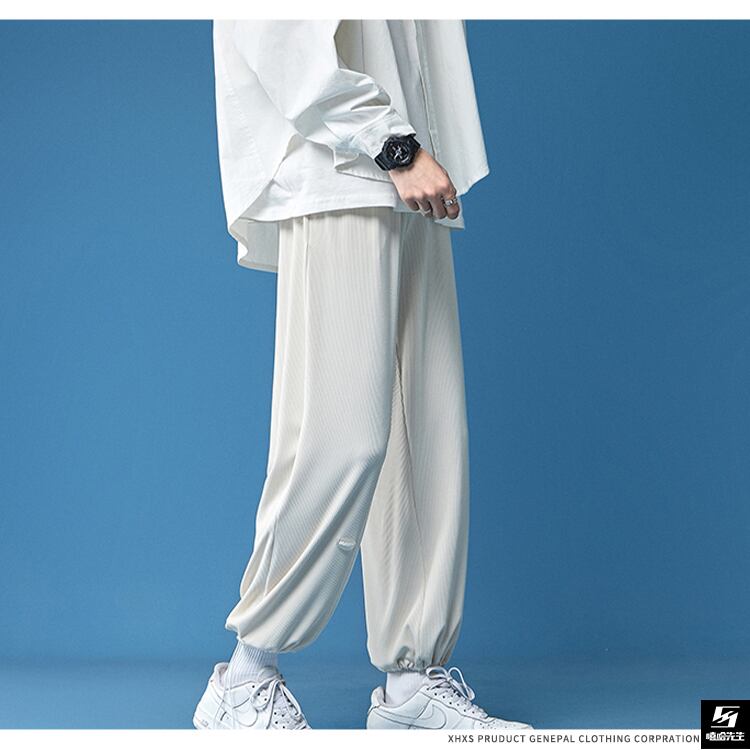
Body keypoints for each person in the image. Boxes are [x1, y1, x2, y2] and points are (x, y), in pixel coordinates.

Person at [193, 19, 534, 731]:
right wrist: (389, 143)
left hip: (413, 165)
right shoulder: (376, 147)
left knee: (427, 430)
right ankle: (245, 678)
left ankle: (411, 689)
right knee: (341, 432)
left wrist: (411, 146)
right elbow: (273, 29)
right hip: (342, 166)